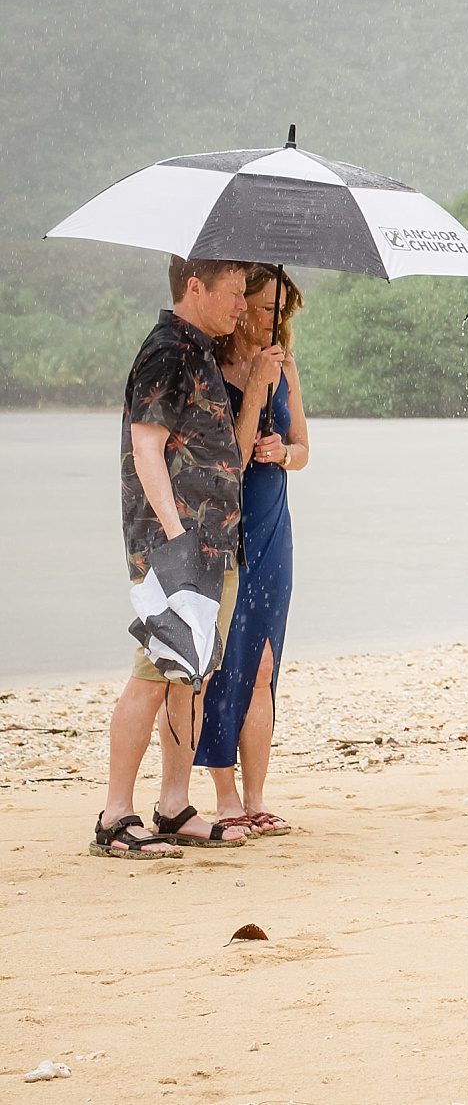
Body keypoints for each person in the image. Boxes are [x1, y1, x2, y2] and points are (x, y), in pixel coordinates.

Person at [93, 256, 274, 860]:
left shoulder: (199, 349)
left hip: (212, 543)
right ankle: (116, 814)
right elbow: (146, 451)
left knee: (188, 679)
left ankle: (173, 805)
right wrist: (175, 540)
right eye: (233, 293)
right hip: (174, 548)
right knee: (152, 675)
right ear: (195, 288)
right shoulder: (166, 350)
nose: (243, 307)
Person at [195, 265, 309, 837]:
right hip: (227, 530)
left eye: (279, 311)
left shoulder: (285, 365)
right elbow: (227, 463)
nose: (272, 321)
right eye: (263, 309)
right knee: (226, 664)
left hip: (273, 527)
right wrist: (256, 390)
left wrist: (281, 452)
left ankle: (258, 794)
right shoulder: (213, 369)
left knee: (263, 662)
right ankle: (223, 792)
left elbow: (304, 450)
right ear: (241, 309)